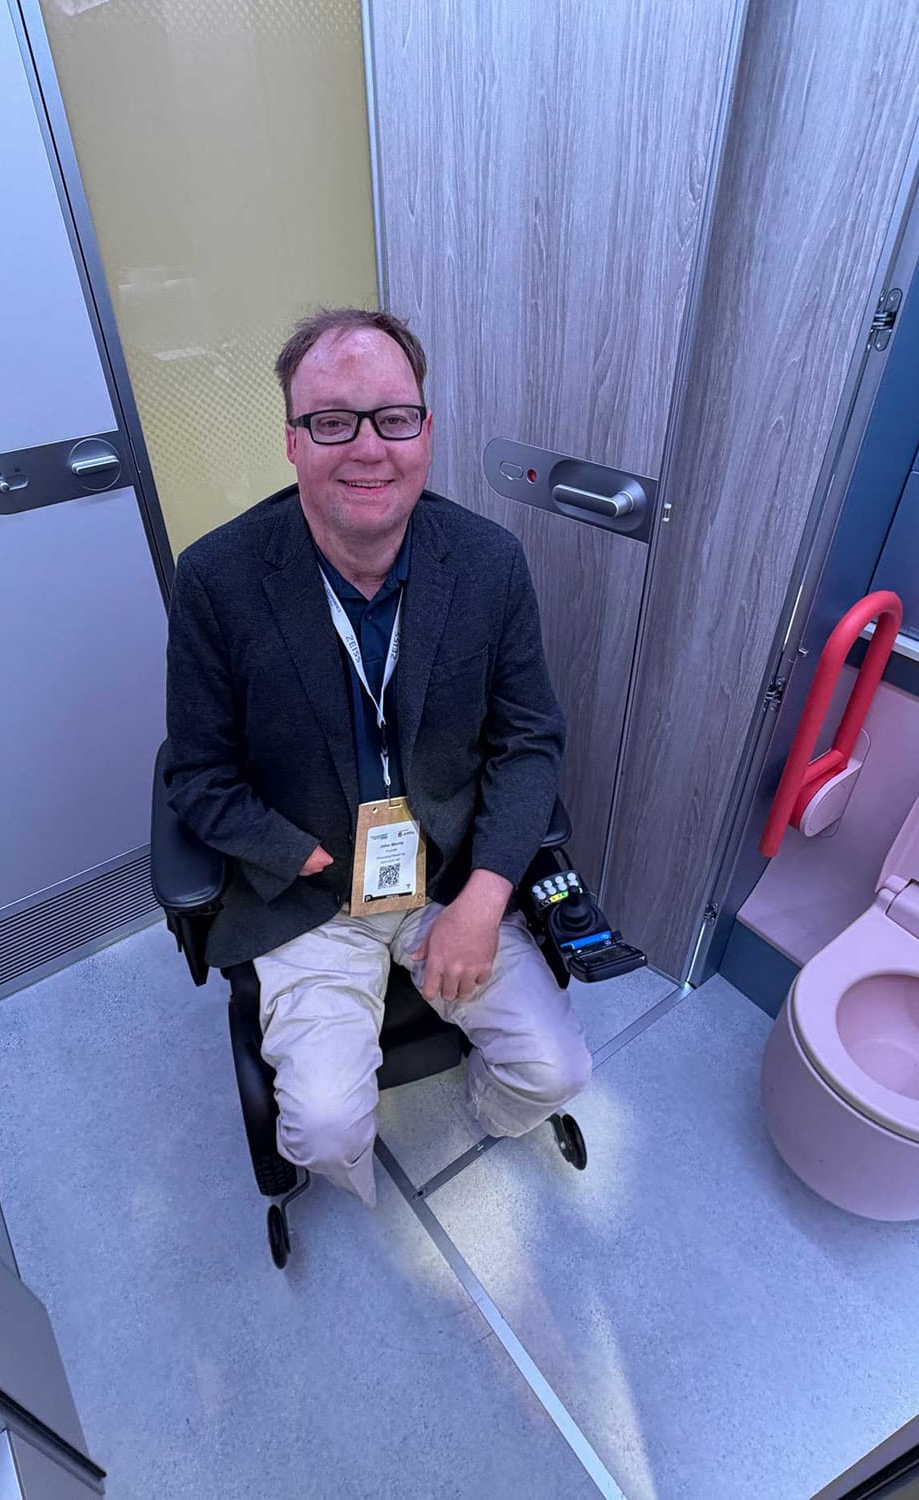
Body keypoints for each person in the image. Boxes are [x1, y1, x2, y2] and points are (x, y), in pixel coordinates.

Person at [163, 307, 592, 1206]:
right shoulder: (217, 580)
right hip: (309, 893)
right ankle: (349, 1177)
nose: (368, 448)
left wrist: (485, 898)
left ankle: (477, 1117)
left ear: (426, 432)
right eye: (332, 421)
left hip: (446, 876)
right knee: (321, 1127)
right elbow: (195, 777)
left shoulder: (488, 564)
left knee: (555, 1071)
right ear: (292, 441)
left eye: (393, 417)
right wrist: (300, 855)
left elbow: (529, 741)